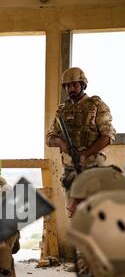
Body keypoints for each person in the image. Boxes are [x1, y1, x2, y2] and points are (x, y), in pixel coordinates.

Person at [46, 67, 116, 215]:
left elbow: (108, 136)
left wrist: (85, 154)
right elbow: (49, 137)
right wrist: (61, 143)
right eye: (67, 85)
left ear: (82, 84)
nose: (71, 88)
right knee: (75, 214)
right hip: (71, 170)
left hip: (94, 168)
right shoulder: (62, 110)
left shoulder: (96, 105)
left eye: (75, 84)